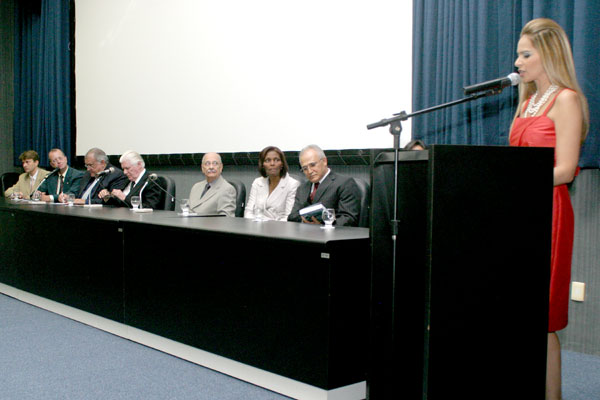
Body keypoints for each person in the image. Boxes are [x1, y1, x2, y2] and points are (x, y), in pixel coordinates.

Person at [510, 18, 589, 400]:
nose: (518, 62)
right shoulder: (525, 103)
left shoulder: (567, 100)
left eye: (526, 54)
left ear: (549, 54)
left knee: (543, 319)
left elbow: (566, 170)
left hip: (549, 214)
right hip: (518, 213)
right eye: (518, 54)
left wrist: (517, 181)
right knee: (519, 312)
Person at [287, 144, 360, 226]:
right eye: (305, 168)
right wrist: (307, 221)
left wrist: (323, 224)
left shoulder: (344, 183)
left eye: (312, 165)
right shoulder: (302, 188)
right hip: (305, 232)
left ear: (324, 161)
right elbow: (292, 217)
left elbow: (348, 218)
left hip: (332, 232)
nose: (309, 171)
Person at [244, 146, 300, 221]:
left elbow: (289, 217)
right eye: (268, 160)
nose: (272, 163)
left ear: (282, 164)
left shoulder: (292, 184)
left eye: (276, 160)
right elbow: (248, 212)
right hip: (256, 225)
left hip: (279, 226)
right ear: (263, 165)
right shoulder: (257, 182)